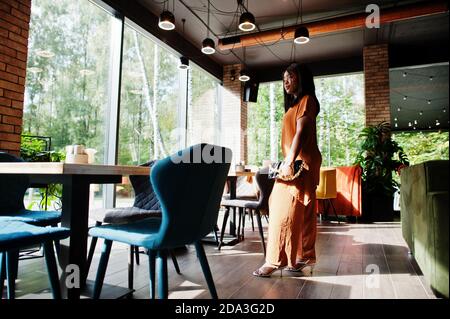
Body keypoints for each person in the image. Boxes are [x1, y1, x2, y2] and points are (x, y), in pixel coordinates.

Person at [253, 63, 322, 277]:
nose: (286, 81)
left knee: (283, 210)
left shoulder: (307, 100)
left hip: (301, 164)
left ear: (301, 79)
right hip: (297, 162)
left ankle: (275, 261)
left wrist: (289, 160)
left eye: (290, 77)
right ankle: (302, 258)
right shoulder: (293, 106)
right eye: (284, 78)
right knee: (302, 211)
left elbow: (301, 132)